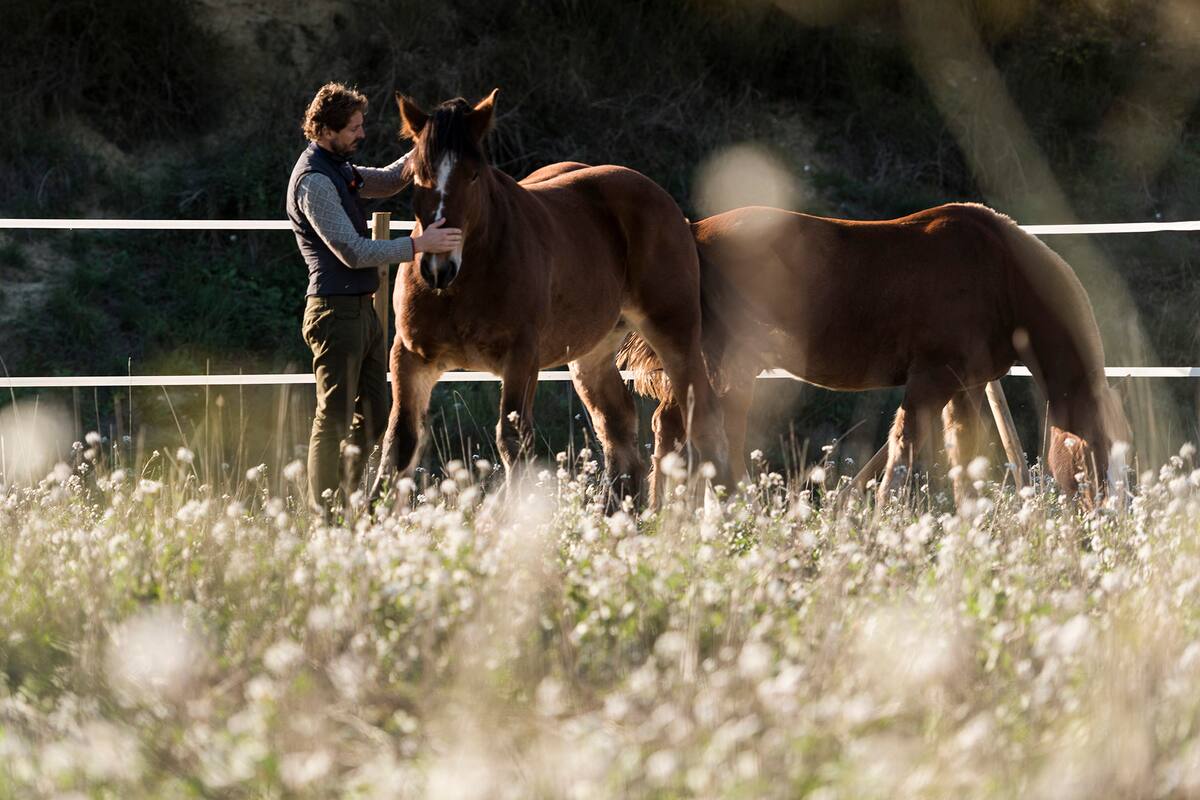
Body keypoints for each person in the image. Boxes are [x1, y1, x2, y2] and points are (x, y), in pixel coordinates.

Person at [286, 82, 461, 513]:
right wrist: (420, 245)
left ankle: (346, 497)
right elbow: (353, 252)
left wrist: (428, 140)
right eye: (354, 128)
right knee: (334, 419)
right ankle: (327, 513)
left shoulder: (338, 167)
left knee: (378, 415)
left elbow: (383, 182)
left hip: (361, 312)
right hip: (333, 312)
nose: (361, 135)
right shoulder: (314, 181)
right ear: (326, 129)